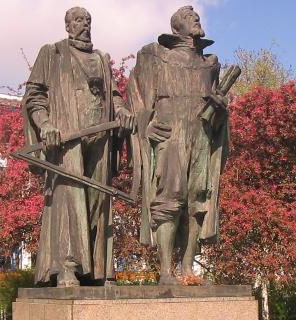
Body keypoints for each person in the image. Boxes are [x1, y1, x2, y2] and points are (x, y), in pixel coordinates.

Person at [23, 6, 134, 287]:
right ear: (67, 26)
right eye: (77, 20)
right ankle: (67, 267)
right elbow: (35, 96)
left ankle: (98, 270)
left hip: (101, 136)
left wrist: (120, 110)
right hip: (67, 138)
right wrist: (45, 125)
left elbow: (115, 95)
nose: (84, 24)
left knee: (99, 201)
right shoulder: (53, 53)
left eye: (87, 20)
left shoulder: (101, 58)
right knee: (69, 199)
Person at [128, 6, 229, 284]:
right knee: (169, 199)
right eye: (187, 17)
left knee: (198, 199)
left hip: (201, 136)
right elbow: (136, 94)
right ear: (175, 28)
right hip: (170, 135)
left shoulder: (211, 63)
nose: (195, 18)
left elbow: (218, 111)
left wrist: (221, 110)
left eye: (195, 16)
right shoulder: (153, 56)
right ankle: (164, 271)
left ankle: (187, 268)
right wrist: (145, 124)